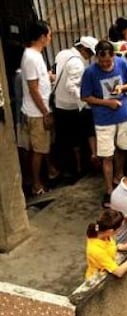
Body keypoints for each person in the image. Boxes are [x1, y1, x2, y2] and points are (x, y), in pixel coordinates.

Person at [81, 40, 127, 208]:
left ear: (113, 56)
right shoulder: (90, 72)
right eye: (102, 61)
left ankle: (118, 176)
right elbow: (86, 96)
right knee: (106, 155)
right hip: (103, 119)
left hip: (123, 114)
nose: (105, 64)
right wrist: (106, 103)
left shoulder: (121, 63)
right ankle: (109, 190)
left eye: (108, 61)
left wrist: (122, 88)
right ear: (97, 57)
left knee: (123, 148)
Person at [20, 20, 56, 196]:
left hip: (38, 109)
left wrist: (48, 78)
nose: (50, 38)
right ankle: (36, 184)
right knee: (38, 150)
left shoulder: (35, 55)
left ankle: (45, 174)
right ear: (42, 37)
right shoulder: (31, 57)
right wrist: (45, 112)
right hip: (36, 112)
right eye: (49, 35)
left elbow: (37, 83)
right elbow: (33, 89)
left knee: (40, 148)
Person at [53, 36, 97, 178]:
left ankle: (69, 170)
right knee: (76, 140)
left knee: (64, 140)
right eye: (90, 53)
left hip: (58, 103)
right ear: (83, 49)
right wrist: (85, 101)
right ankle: (77, 170)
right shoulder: (78, 63)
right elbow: (71, 86)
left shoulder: (62, 54)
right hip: (71, 107)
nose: (90, 57)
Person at [85, 209, 127, 279]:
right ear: (110, 231)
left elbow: (111, 247)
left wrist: (125, 247)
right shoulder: (95, 250)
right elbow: (119, 272)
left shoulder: (105, 235)